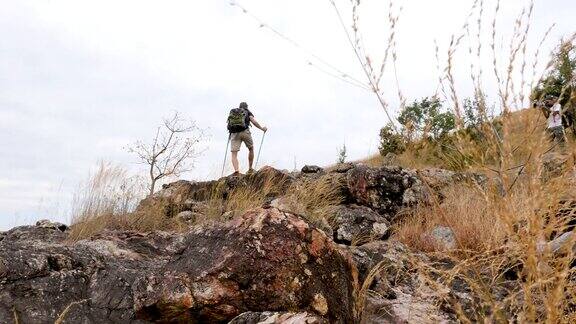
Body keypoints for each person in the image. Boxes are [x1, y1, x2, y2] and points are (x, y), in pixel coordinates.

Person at [228, 102, 267, 175]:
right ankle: (250, 168)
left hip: (234, 134)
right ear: (246, 107)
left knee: (234, 154)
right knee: (251, 148)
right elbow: (253, 121)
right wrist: (262, 128)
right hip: (245, 132)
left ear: (239, 106)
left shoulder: (233, 112)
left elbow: (229, 123)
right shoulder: (247, 112)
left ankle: (236, 171)